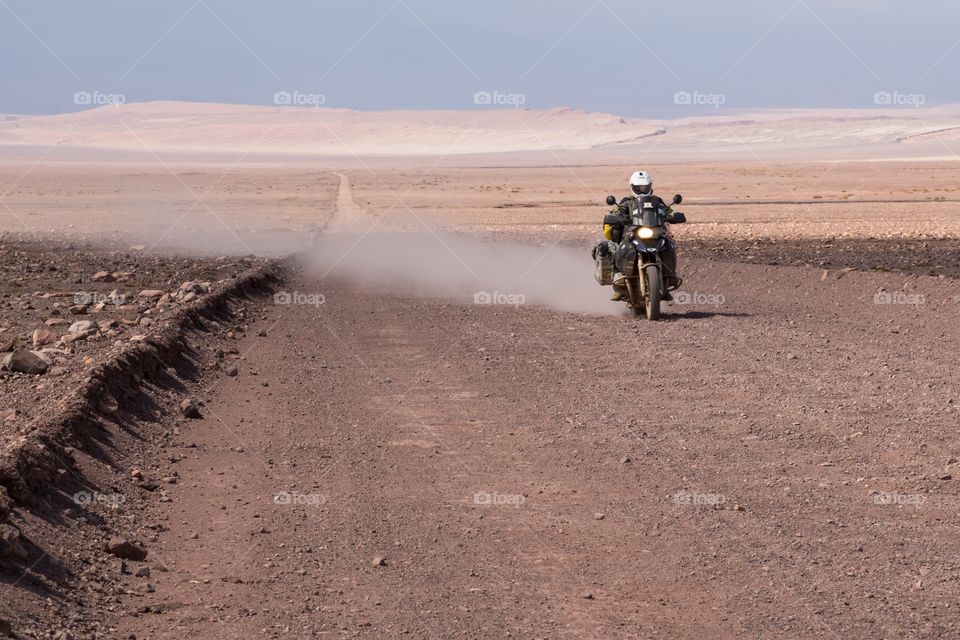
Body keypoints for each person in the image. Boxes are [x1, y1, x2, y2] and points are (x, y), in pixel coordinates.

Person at [602, 170, 681, 301]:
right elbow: (616, 211)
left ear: (650, 186)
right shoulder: (626, 202)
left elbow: (667, 210)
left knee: (669, 245)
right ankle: (618, 283)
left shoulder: (657, 201)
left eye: (645, 187)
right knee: (617, 249)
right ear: (632, 187)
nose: (642, 191)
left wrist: (673, 216)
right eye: (638, 188)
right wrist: (616, 216)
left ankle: (668, 279)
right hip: (632, 234)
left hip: (654, 233)